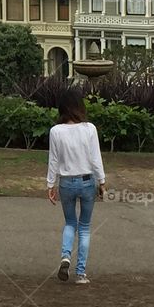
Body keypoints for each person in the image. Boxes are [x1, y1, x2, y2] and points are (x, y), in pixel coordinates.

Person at [46, 89, 106, 285]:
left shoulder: (56, 131)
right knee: (85, 227)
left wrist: (50, 184)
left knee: (70, 222)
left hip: (66, 182)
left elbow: (53, 160)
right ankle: (81, 273)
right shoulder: (90, 129)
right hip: (87, 181)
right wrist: (102, 181)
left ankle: (65, 256)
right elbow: (95, 158)